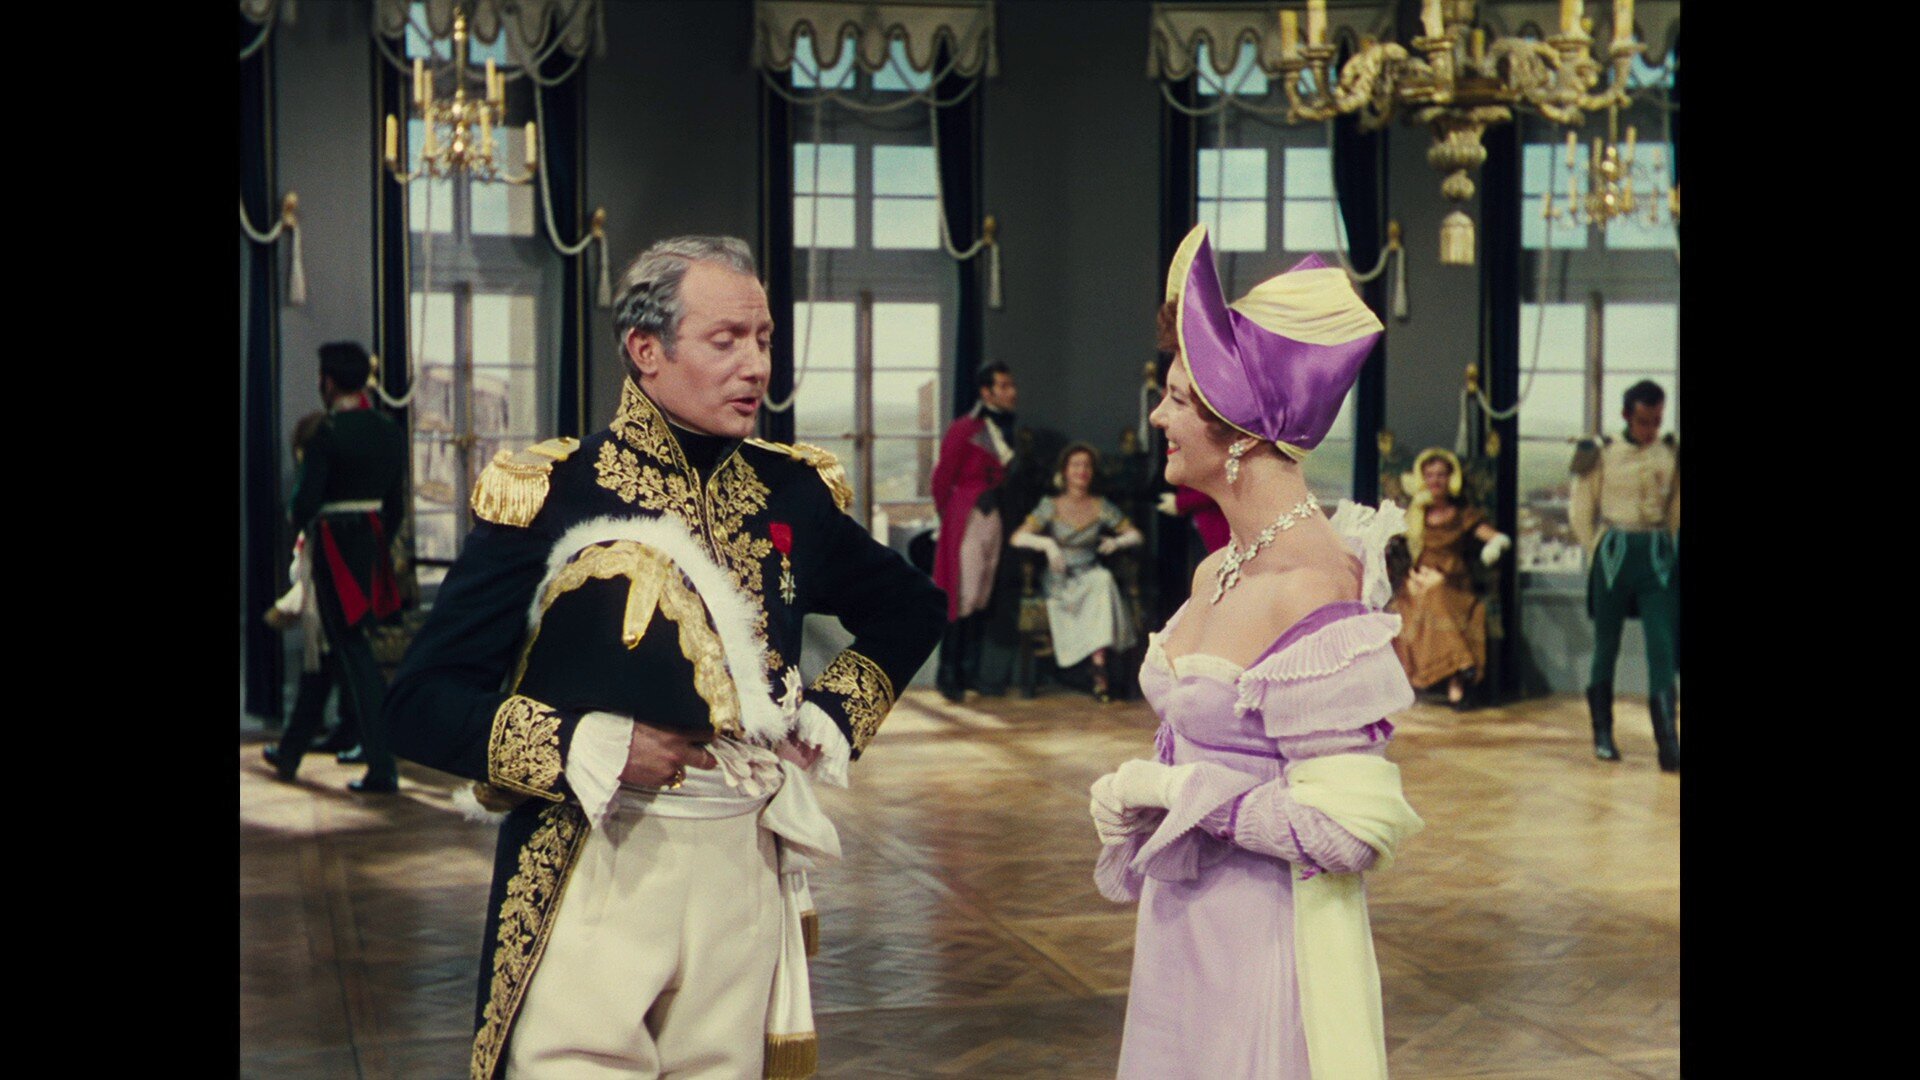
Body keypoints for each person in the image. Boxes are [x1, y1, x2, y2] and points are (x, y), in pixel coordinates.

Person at [383, 235, 945, 1080]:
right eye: (727, 340)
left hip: (744, 873)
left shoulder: (790, 491)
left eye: (763, 339)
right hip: (593, 864)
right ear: (646, 349)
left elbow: (912, 607)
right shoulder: (555, 491)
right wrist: (592, 744)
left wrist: (829, 716)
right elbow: (420, 702)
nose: (756, 365)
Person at [1089, 225, 1424, 1079]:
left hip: (1265, 948)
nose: (1158, 417)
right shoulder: (1218, 568)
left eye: (1176, 398)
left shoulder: (1312, 584)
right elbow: (1207, 744)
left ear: (1238, 428)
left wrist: (1185, 794)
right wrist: (1146, 797)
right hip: (1181, 931)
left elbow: (1349, 830)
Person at [263, 342, 407, 792]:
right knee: (334, 647)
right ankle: (291, 751)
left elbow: (303, 503)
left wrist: (303, 525)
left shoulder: (327, 432)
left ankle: (382, 766)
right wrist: (375, 540)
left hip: (332, 547)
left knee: (348, 648)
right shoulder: (389, 430)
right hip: (371, 543)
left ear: (327, 382)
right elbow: (396, 506)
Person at [1570, 379, 1680, 771]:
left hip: (1656, 555)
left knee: (1663, 647)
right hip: (1613, 554)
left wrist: (1669, 547)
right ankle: (1602, 734)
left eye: (1657, 420)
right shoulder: (1601, 453)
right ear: (1626, 416)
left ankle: (1668, 742)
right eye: (1644, 421)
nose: (1651, 429)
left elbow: (1676, 509)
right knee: (1607, 645)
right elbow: (1581, 509)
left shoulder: (1670, 453)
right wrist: (1597, 549)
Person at [1009, 442, 1143, 701]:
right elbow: (1018, 538)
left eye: (1087, 466)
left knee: (1103, 579)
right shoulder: (1051, 505)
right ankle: (1091, 669)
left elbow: (1135, 535)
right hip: (1059, 579)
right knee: (1100, 585)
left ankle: (1099, 668)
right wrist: (1047, 545)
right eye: (1076, 465)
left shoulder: (1101, 505)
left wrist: (1117, 542)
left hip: (1090, 574)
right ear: (1065, 471)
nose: (1082, 470)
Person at [263, 411, 360, 758]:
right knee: (332, 667)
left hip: (328, 585)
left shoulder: (324, 486)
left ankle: (293, 750)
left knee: (321, 667)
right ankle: (343, 732)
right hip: (335, 583)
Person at [1391, 447, 1511, 706]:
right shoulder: (1415, 514)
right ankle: (1461, 668)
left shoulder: (1462, 514)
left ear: (1450, 478)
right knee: (1411, 605)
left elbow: (1497, 538)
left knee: (1437, 596)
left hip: (1453, 582)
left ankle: (1458, 677)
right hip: (1419, 580)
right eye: (1429, 475)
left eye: (1441, 475)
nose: (1435, 481)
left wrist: (1493, 548)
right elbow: (1395, 544)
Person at [930, 361, 1019, 701]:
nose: (1011, 392)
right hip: (967, 516)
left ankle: (970, 673)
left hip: (995, 516)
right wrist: (952, 517)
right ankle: (948, 674)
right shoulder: (963, 428)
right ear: (987, 392)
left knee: (982, 594)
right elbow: (941, 480)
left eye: (1011, 385)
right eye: (1004, 386)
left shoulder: (1007, 429)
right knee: (963, 595)